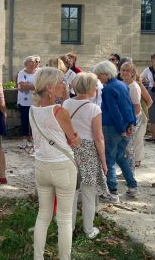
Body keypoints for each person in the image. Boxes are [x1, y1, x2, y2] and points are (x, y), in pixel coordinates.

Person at [29, 67, 80, 260]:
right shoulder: (60, 111)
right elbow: (73, 140)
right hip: (62, 166)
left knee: (43, 215)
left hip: (42, 164)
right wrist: (78, 138)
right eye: (61, 82)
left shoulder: (32, 111)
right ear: (50, 87)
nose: (64, 85)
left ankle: (38, 257)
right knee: (65, 218)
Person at [63, 72, 107, 240]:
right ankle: (88, 229)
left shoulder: (67, 103)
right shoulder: (94, 109)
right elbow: (99, 137)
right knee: (89, 192)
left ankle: (69, 226)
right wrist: (103, 161)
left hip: (71, 148)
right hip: (88, 151)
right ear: (90, 88)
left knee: (71, 191)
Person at [92, 60, 137, 202]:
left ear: (105, 74)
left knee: (109, 159)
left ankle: (112, 192)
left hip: (112, 127)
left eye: (99, 75)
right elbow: (128, 106)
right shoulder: (122, 85)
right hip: (125, 125)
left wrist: (121, 129)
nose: (98, 78)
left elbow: (114, 111)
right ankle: (132, 187)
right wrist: (130, 123)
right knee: (121, 157)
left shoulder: (108, 89)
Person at [119, 62, 143, 172]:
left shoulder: (134, 87)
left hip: (132, 119)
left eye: (127, 70)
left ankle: (130, 171)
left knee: (128, 145)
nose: (124, 72)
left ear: (133, 73)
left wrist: (131, 123)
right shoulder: (121, 84)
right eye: (123, 70)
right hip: (124, 118)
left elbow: (137, 108)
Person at [16, 56, 38, 149]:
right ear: (25, 64)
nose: (33, 63)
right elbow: (22, 86)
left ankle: (34, 140)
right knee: (25, 120)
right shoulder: (21, 72)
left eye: (34, 61)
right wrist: (34, 86)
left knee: (35, 121)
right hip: (24, 101)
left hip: (36, 100)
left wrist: (28, 85)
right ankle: (24, 139)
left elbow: (40, 85)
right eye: (30, 61)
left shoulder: (38, 72)